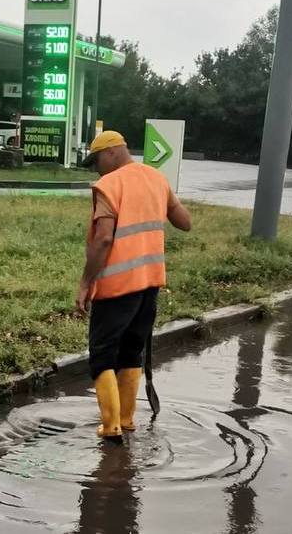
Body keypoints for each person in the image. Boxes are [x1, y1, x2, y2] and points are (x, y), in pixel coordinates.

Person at [76, 131, 192, 442]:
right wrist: (165, 201)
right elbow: (185, 222)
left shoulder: (109, 185)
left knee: (102, 353)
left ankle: (110, 425)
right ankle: (126, 420)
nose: (97, 168)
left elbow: (103, 239)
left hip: (116, 285)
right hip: (149, 284)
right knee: (131, 351)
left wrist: (85, 282)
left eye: (97, 160)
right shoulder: (157, 179)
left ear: (112, 152)